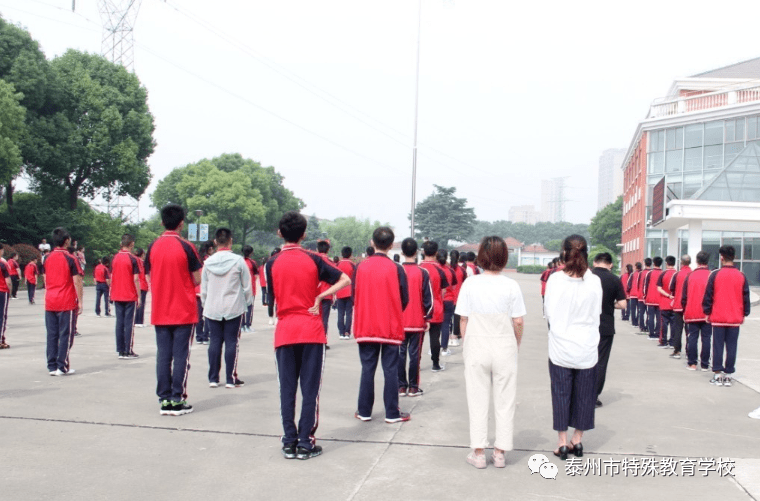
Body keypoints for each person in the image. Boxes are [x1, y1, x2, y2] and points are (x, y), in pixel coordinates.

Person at [266, 211, 350, 460]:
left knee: (287, 389)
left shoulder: (271, 263)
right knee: (310, 389)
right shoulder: (313, 259)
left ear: (280, 233)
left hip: (285, 330)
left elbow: (272, 297)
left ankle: (289, 441)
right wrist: (322, 296)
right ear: (304, 235)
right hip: (311, 329)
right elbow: (345, 279)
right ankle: (305, 442)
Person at [456, 236, 526, 469]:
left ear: (481, 257)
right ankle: (499, 452)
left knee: (477, 398)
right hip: (504, 345)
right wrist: (515, 344)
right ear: (504, 257)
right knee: (505, 399)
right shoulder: (511, 285)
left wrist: (468, 344)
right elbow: (517, 321)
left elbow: (463, 319)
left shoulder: (470, 284)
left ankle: (478, 452)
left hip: (476, 344)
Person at [544, 234, 602, 461]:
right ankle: (577, 440)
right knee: (585, 396)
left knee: (561, 394)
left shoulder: (555, 280)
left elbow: (548, 311)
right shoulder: (594, 280)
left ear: (564, 252)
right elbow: (597, 312)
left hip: (560, 347)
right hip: (587, 346)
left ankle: (561, 443)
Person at [145, 204, 203, 416]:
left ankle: (164, 399)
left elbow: (148, 275)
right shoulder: (187, 247)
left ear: (162, 222)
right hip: (183, 310)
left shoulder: (153, 246)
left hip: (160, 309)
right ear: (181, 223)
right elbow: (197, 278)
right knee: (181, 356)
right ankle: (177, 398)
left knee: (163, 355)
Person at [353, 226, 410, 423]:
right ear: (392, 245)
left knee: (367, 368)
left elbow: (355, 295)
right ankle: (392, 413)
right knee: (390, 370)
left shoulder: (361, 267)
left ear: (372, 242)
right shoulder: (396, 268)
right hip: (389, 326)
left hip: (366, 325)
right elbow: (405, 299)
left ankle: (364, 411)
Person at [202, 228, 253, 389]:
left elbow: (204, 289)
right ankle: (230, 378)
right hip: (233, 307)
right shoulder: (238, 261)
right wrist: (246, 304)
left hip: (212, 307)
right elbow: (247, 287)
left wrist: (206, 304)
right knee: (232, 342)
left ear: (215, 242)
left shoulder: (207, 263)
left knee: (214, 341)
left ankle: (213, 378)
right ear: (231, 241)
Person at [703, 245, 751, 387]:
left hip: (718, 316)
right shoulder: (741, 275)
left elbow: (708, 295)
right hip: (735, 317)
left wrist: (707, 312)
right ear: (734, 257)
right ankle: (728, 375)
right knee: (732, 346)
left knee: (717, 346)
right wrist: (745, 313)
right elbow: (745, 296)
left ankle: (717, 374)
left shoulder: (715, 274)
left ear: (721, 257)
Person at [42, 228, 84, 375]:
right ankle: (62, 365)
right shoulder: (71, 258)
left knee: (52, 334)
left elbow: (45, 279)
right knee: (66, 334)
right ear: (66, 241)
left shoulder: (47, 258)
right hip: (66, 300)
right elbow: (77, 281)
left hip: (50, 300)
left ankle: (52, 366)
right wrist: (80, 301)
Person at [590, 253, 626, 408]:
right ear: (610, 264)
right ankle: (594, 395)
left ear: (594, 262)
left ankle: (579, 393)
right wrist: (610, 305)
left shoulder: (587, 277)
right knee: (600, 362)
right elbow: (623, 304)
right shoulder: (614, 279)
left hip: (585, 325)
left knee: (583, 359)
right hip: (605, 326)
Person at [398, 238, 432, 398]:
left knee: (400, 354)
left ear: (402, 252)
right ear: (417, 251)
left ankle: (400, 387)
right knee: (414, 355)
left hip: (399, 321)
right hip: (417, 320)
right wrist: (427, 318)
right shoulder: (423, 273)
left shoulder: (396, 270)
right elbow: (428, 298)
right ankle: (413, 387)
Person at [419, 241, 449, 372]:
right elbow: (443, 291)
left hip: (419, 308)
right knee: (435, 337)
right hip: (436, 307)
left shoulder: (418, 268)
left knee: (417, 340)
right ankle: (435, 364)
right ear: (436, 253)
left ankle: (416, 364)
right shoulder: (440, 270)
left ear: (423, 252)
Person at [110, 234, 141, 359]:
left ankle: (120, 350)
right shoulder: (133, 259)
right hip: (129, 294)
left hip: (117, 294)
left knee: (119, 322)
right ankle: (128, 349)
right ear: (131, 244)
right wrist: (139, 296)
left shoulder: (115, 258)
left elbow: (112, 276)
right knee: (129, 323)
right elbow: (136, 279)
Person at [682, 251, 712, 372]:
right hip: (707, 313)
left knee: (692, 337)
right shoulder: (711, 275)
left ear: (696, 261)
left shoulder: (690, 275)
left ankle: (692, 363)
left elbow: (684, 296)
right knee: (706, 338)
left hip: (692, 311)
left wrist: (684, 311)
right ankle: (705, 364)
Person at [667, 255, 691, 360]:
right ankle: (689, 352)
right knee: (689, 331)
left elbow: (671, 288)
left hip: (678, 305)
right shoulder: (692, 273)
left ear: (681, 262)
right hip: (689, 306)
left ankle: (677, 350)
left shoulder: (677, 274)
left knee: (677, 329)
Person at [438, 249, 458, 356]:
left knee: (435, 326)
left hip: (437, 300)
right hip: (449, 299)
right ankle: (444, 349)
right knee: (446, 324)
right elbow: (454, 286)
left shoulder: (435, 269)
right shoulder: (450, 271)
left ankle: (433, 348)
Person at [335, 246, 356, 340]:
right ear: (350, 254)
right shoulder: (352, 265)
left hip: (339, 291)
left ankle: (341, 332)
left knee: (340, 313)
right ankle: (347, 332)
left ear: (341, 254)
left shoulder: (337, 264)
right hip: (349, 291)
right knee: (348, 313)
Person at [657, 256, 678, 350]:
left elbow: (659, 288)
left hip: (664, 303)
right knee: (674, 324)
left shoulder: (663, 274)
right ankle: (672, 342)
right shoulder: (677, 274)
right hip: (674, 303)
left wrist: (667, 295)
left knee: (664, 323)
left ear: (666, 263)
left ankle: (664, 341)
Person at [316, 240, 334, 347]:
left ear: (317, 249)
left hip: (314, 294)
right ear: (328, 250)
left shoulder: (312, 260)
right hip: (327, 294)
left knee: (314, 318)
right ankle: (323, 341)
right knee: (324, 319)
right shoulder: (330, 262)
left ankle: (314, 340)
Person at [448, 250, 466, 347]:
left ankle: (447, 337)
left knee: (447, 319)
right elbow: (465, 284)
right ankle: (455, 337)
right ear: (459, 257)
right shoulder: (462, 270)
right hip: (459, 297)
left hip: (447, 297)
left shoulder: (446, 269)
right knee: (457, 318)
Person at [643, 256, 663, 343]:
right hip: (660, 298)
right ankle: (658, 333)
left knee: (650, 316)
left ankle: (651, 334)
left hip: (650, 298)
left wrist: (644, 296)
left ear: (653, 263)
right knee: (659, 317)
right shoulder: (663, 273)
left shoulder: (649, 273)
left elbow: (645, 286)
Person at [242, 245, 259, 333]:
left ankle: (241, 325)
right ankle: (248, 325)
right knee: (249, 307)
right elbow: (256, 276)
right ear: (251, 253)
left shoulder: (239, 262)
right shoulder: (252, 262)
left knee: (241, 307)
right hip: (251, 288)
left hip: (240, 288)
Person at [133, 248, 149, 328]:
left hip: (135, 285)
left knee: (137, 303)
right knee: (142, 303)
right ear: (142, 254)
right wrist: (150, 283)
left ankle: (136, 321)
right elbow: (146, 275)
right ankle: (140, 321)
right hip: (142, 285)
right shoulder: (143, 263)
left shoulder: (134, 261)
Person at [637, 258, 652, 334]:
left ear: (644, 263)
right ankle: (649, 326)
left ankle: (642, 326)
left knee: (641, 312)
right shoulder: (652, 272)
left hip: (641, 295)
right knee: (649, 313)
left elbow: (638, 284)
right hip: (649, 296)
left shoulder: (641, 273)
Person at [0, 244, 11, 349]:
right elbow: (8, 281)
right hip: (2, 291)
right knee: (2, 316)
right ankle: (1, 340)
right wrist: (10, 291)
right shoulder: (3, 263)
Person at [627, 262, 642, 329]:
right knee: (639, 310)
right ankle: (638, 321)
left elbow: (628, 283)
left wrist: (628, 291)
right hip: (640, 294)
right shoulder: (642, 274)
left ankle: (634, 322)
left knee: (633, 309)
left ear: (636, 267)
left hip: (633, 294)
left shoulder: (633, 274)